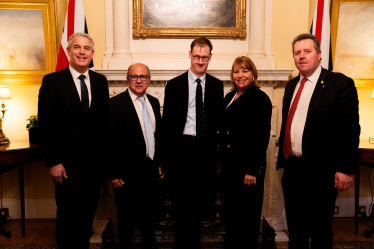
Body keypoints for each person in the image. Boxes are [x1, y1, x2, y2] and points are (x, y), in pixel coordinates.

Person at [277, 33, 360, 249]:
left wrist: (346, 169)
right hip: (293, 169)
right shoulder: (291, 86)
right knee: (296, 230)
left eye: (307, 51)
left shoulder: (339, 84)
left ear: (319, 54)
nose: (301, 56)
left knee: (321, 231)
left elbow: (349, 130)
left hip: (321, 172)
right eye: (297, 53)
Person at [38, 32, 109, 249]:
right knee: (68, 216)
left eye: (86, 48)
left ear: (92, 54)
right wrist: (54, 162)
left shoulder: (100, 81)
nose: (82, 52)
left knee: (87, 216)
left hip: (94, 166)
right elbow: (46, 124)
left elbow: (103, 123)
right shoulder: (53, 81)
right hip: (65, 166)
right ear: (68, 51)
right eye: (77, 47)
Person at [162, 37, 223, 249]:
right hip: (179, 150)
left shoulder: (216, 86)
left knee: (199, 204)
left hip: (204, 152)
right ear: (190, 55)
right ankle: (180, 245)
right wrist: (164, 158)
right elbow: (166, 124)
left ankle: (195, 244)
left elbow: (218, 122)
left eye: (204, 57)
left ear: (210, 58)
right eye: (196, 56)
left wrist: (216, 155)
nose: (200, 61)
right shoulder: (174, 85)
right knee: (179, 204)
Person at [106, 63, 165, 249]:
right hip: (125, 175)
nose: (139, 80)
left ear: (148, 80)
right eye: (134, 76)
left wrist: (160, 163)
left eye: (143, 77)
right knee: (126, 220)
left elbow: (158, 137)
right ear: (127, 79)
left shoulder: (154, 103)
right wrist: (113, 174)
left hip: (150, 173)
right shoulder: (114, 104)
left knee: (149, 218)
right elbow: (108, 142)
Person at [218, 56, 272, 248]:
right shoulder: (229, 97)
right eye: (236, 71)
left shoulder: (260, 98)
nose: (240, 75)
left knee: (247, 217)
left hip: (247, 169)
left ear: (253, 74)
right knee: (232, 215)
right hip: (230, 167)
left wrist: (252, 170)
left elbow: (261, 137)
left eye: (245, 71)